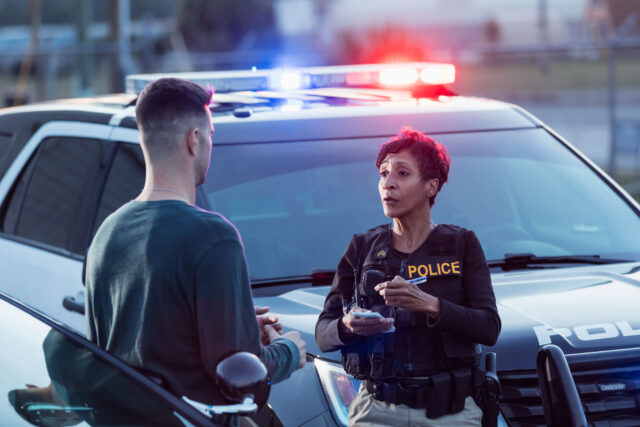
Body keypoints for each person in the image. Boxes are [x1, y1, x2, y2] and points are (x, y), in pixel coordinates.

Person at [85, 78, 305, 408]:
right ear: (194, 139)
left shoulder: (106, 233)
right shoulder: (213, 236)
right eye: (212, 135)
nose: (210, 145)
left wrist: (238, 324)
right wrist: (287, 351)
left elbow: (124, 349)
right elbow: (239, 376)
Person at [315, 127, 501, 426]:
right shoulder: (361, 247)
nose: (388, 184)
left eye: (402, 174)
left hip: (450, 414)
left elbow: (489, 328)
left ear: (430, 187)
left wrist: (430, 305)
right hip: (376, 411)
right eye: (383, 173)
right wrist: (348, 325)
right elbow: (323, 334)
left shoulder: (462, 244)